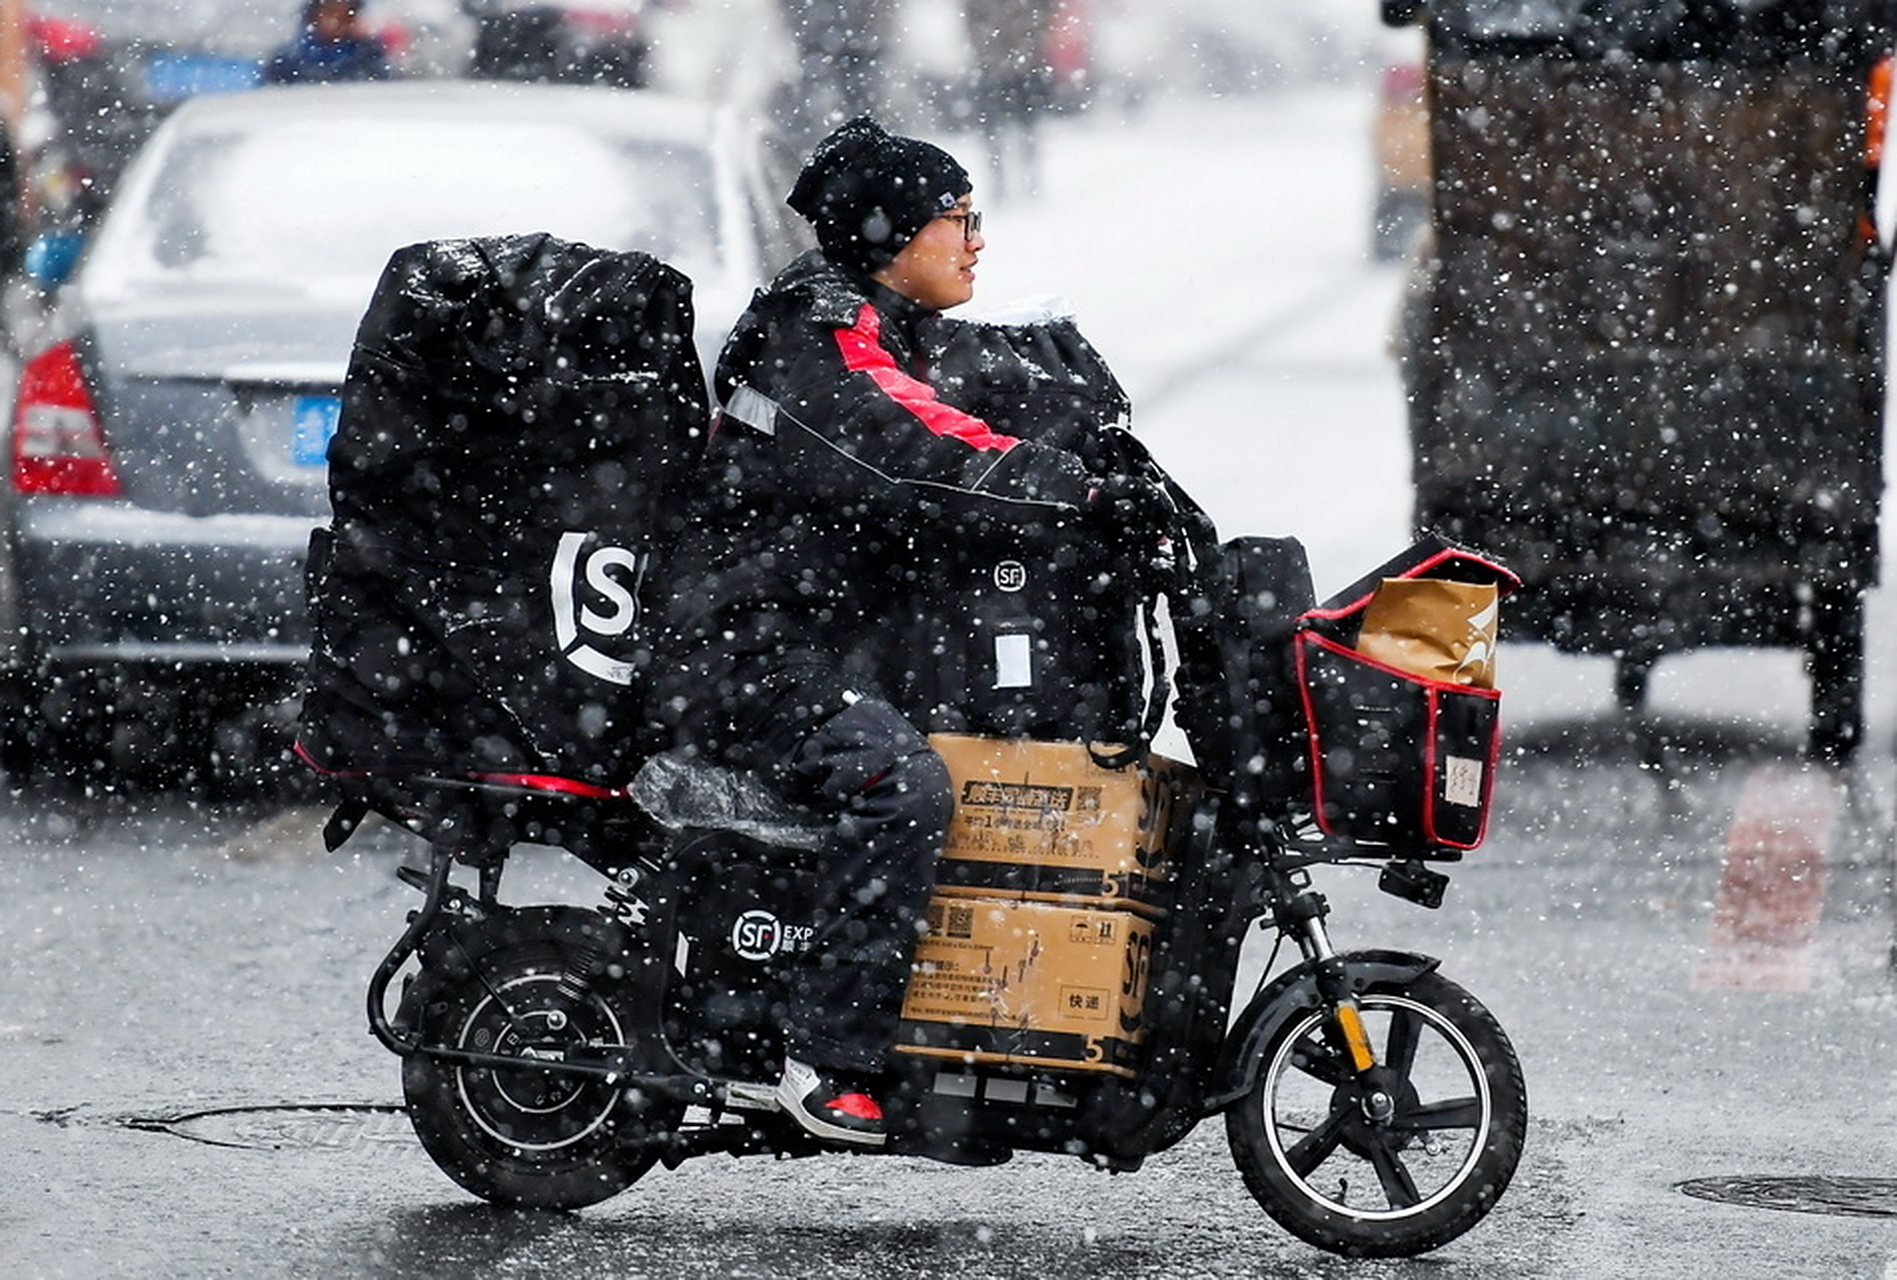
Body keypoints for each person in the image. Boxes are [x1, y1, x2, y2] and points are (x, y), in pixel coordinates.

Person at [654, 117, 1172, 1147]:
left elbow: (972, 408)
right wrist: (1075, 489)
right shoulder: (813, 338)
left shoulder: (877, 323)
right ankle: (830, 1060)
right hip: (745, 650)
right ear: (889, 235)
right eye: (956, 219)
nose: (977, 240)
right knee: (903, 781)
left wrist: (1106, 458)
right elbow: (910, 445)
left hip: (805, 635)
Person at [264, 0, 391, 84]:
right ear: (313, 17)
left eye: (343, 16)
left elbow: (381, 84)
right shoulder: (288, 59)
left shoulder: (367, 53)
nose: (334, 22)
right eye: (329, 13)